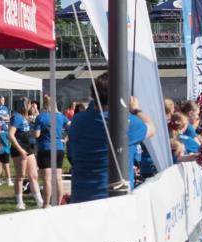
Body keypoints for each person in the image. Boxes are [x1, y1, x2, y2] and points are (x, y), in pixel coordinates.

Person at [68, 72, 155, 201]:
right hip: (114, 200)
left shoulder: (77, 120)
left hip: (80, 198)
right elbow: (151, 128)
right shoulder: (128, 123)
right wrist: (136, 109)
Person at [35, 94, 69, 207]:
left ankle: (46, 204)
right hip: (59, 148)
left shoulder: (40, 117)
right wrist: (66, 138)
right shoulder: (61, 116)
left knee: (47, 179)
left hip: (45, 148)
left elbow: (36, 134)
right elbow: (72, 126)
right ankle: (58, 204)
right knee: (58, 178)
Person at [9, 97, 43, 210]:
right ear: (24, 105)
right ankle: (19, 202)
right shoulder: (16, 117)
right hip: (19, 149)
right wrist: (20, 150)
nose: (31, 106)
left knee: (33, 175)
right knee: (20, 176)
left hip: (28, 148)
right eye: (29, 104)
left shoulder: (25, 117)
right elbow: (10, 135)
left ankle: (39, 201)